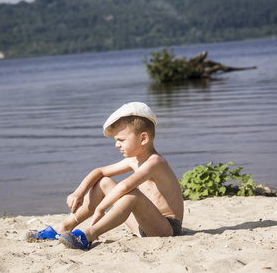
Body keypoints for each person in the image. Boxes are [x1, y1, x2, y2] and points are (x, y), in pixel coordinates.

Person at [29, 102, 184, 250]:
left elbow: (125, 186)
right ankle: (64, 226)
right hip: (141, 224)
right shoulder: (134, 161)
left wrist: (101, 209)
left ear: (143, 138)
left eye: (121, 140)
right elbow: (100, 171)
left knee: (133, 195)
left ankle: (89, 234)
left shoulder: (156, 162)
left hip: (165, 227)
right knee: (104, 182)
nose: (117, 145)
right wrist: (79, 192)